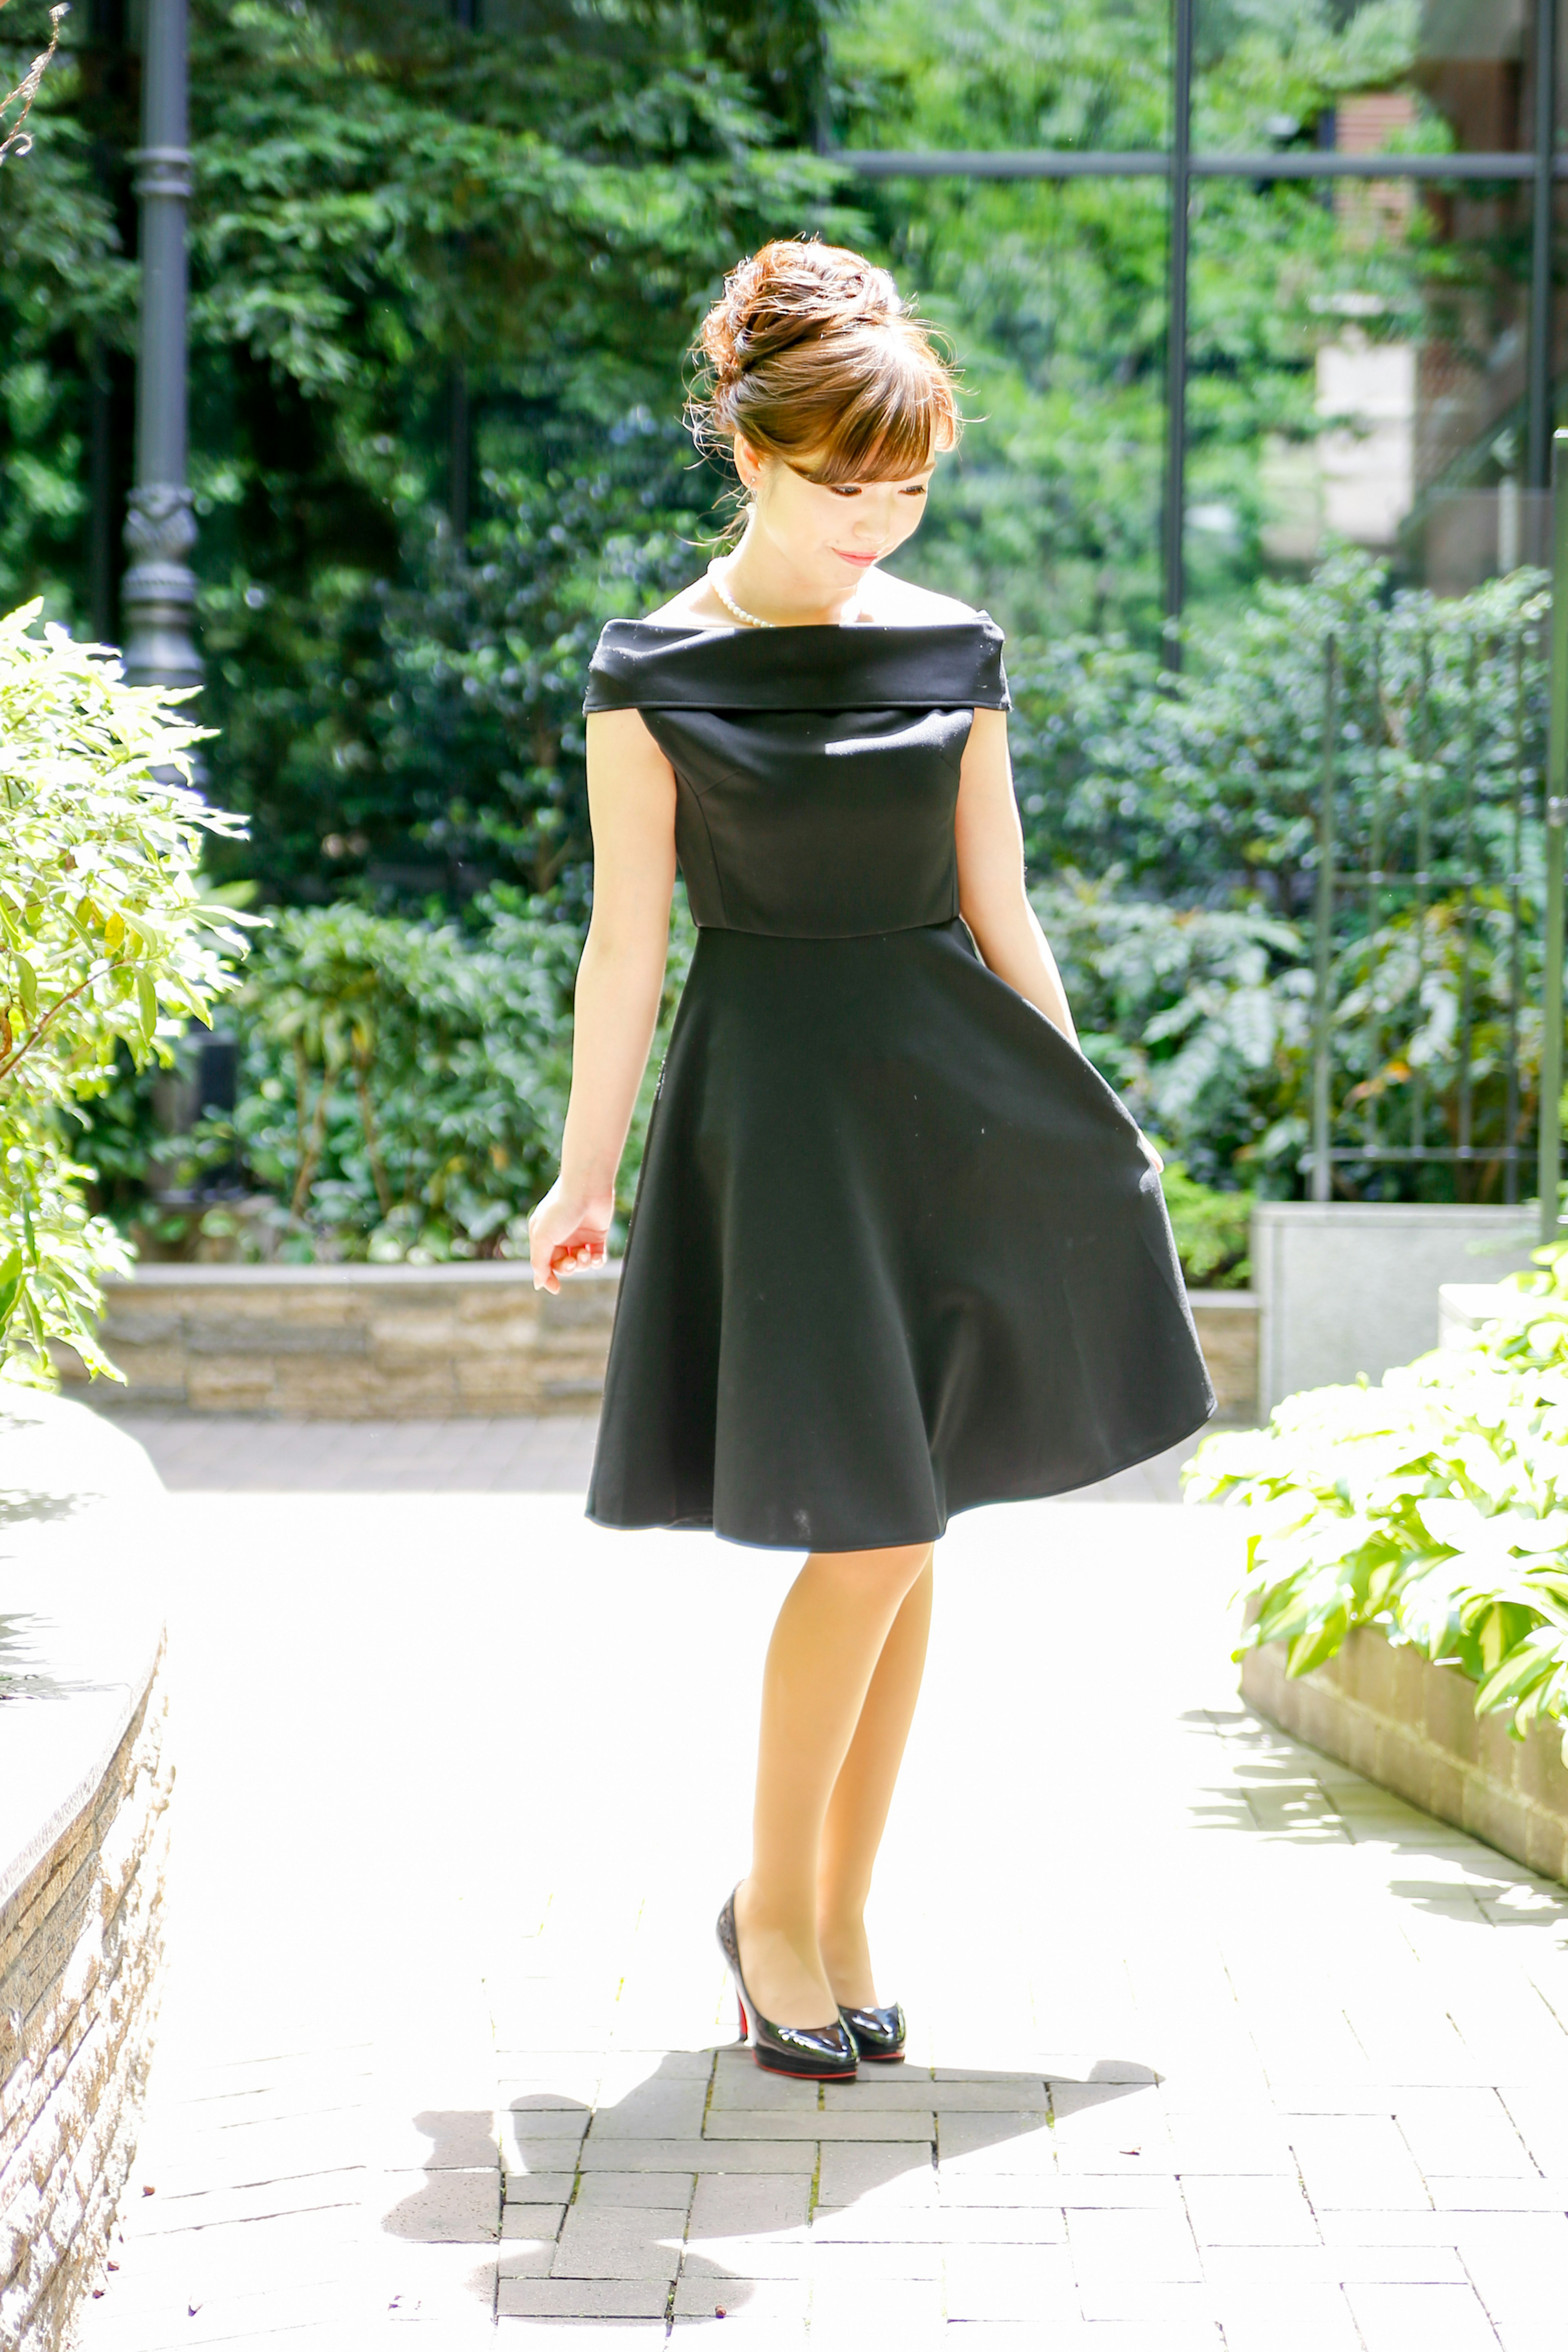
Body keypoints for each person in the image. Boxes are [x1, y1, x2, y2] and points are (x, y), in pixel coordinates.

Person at [528, 238, 1213, 2081]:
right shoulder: (651, 670)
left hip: (961, 1098)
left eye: (907, 489)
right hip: (781, 1112)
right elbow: (625, 945)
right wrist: (583, 1176)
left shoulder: (952, 644)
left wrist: (1085, 1112)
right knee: (877, 1526)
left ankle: (833, 1917)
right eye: (845, 487)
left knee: (915, 1542)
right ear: (750, 454)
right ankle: (770, 1918)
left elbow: (1005, 908)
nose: (878, 524)